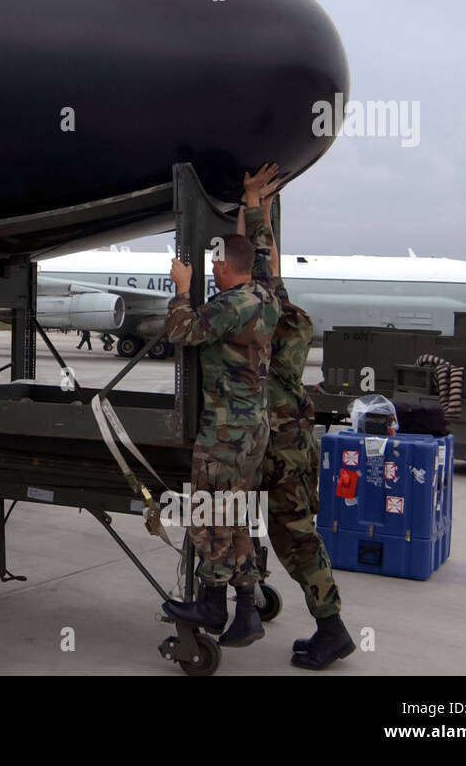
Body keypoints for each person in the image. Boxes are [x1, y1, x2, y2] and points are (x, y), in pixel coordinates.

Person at [238, 164, 354, 670]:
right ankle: (318, 623)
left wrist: (249, 205)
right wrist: (259, 209)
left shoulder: (267, 319)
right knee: (296, 532)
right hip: (299, 443)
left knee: (294, 538)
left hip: (279, 448)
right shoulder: (292, 320)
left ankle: (331, 629)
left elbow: (260, 270)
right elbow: (269, 270)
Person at [161, 172, 280, 648]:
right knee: (237, 514)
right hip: (255, 431)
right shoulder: (267, 294)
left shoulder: (230, 305)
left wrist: (180, 288)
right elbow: (262, 252)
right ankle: (246, 611)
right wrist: (254, 206)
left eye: (215, 264)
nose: (211, 269)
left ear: (228, 270)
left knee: (210, 513)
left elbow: (183, 331)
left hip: (225, 434)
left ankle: (211, 603)